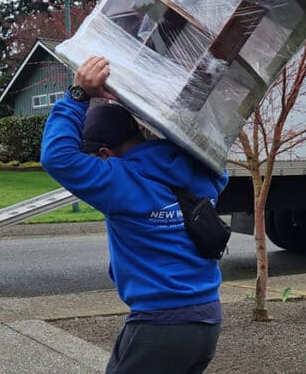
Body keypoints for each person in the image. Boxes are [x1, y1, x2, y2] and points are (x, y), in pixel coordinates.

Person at [40, 55, 229, 374]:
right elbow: (216, 168)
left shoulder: (118, 180)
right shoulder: (194, 167)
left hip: (162, 323)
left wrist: (78, 94)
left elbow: (57, 157)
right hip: (206, 318)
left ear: (104, 153)